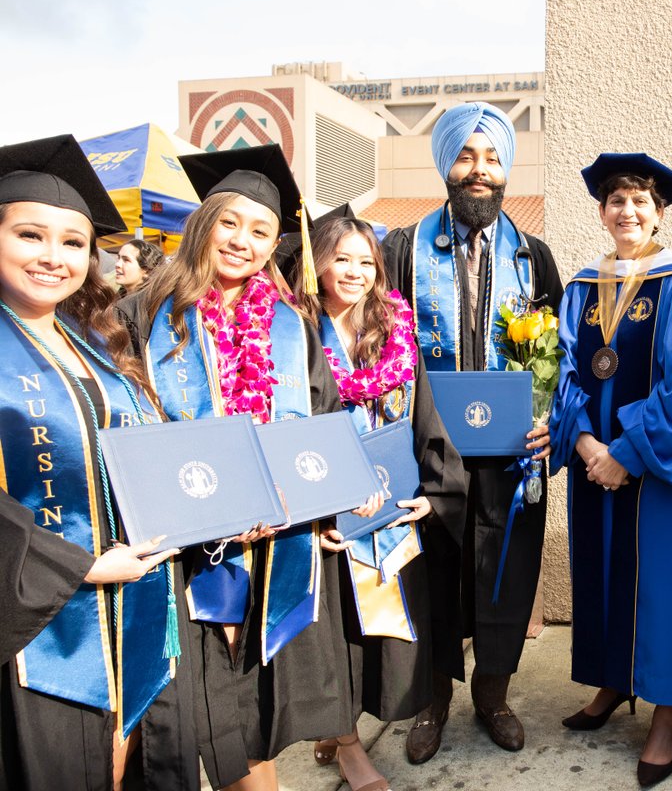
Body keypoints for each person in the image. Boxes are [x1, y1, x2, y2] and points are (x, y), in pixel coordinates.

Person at [118, 144, 382, 791]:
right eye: (230, 223)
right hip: (184, 551)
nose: (242, 241)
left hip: (276, 541)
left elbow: (321, 418)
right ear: (203, 224)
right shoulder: (144, 313)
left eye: (261, 231)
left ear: (274, 244)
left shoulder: (293, 322)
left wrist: (338, 494)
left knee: (250, 702)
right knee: (197, 704)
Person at [0, 135, 198, 789]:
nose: (53, 257)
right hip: (42, 629)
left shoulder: (92, 341)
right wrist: (79, 566)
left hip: (132, 598)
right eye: (31, 235)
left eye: (73, 242)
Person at [380, 101, 563, 760]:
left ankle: (493, 695)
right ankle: (431, 702)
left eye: (492, 158)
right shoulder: (400, 250)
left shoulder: (532, 257)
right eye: (466, 155)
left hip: (508, 453)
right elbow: (379, 347)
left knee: (504, 570)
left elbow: (555, 357)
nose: (479, 170)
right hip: (427, 448)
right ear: (445, 165)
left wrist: (548, 422)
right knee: (432, 575)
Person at [548, 152, 672, 788]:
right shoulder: (580, 291)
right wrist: (589, 447)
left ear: (660, 213)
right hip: (596, 469)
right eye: (616, 202)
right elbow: (563, 376)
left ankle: (666, 712)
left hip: (657, 473)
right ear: (601, 213)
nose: (628, 211)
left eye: (640, 202)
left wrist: (626, 453)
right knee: (599, 575)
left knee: (663, 589)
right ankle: (611, 684)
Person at [290, 215, 467, 791]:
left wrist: (433, 495)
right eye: (341, 258)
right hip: (322, 507)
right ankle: (346, 746)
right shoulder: (289, 333)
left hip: (386, 507)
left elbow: (426, 417)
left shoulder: (391, 330)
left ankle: (339, 727)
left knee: (375, 630)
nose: (355, 273)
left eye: (366, 262)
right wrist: (313, 507)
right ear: (316, 261)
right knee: (329, 630)